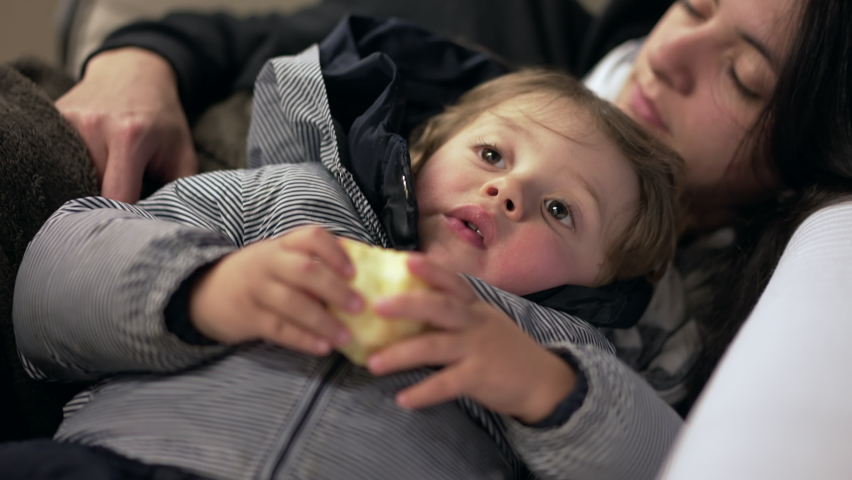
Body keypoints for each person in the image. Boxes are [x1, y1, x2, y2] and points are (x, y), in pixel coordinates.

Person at [51, 0, 852, 411]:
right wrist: (138, 63)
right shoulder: (500, 16)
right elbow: (233, 38)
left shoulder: (719, 332)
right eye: (698, 2)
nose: (667, 54)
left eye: (742, 78)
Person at [11, 35, 683, 480]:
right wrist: (206, 290)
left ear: (599, 278)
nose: (508, 192)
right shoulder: (284, 197)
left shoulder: (570, 354)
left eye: (562, 211)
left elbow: (675, 460)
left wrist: (542, 386)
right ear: (425, 148)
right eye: (491, 154)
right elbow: (49, 283)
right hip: (127, 457)